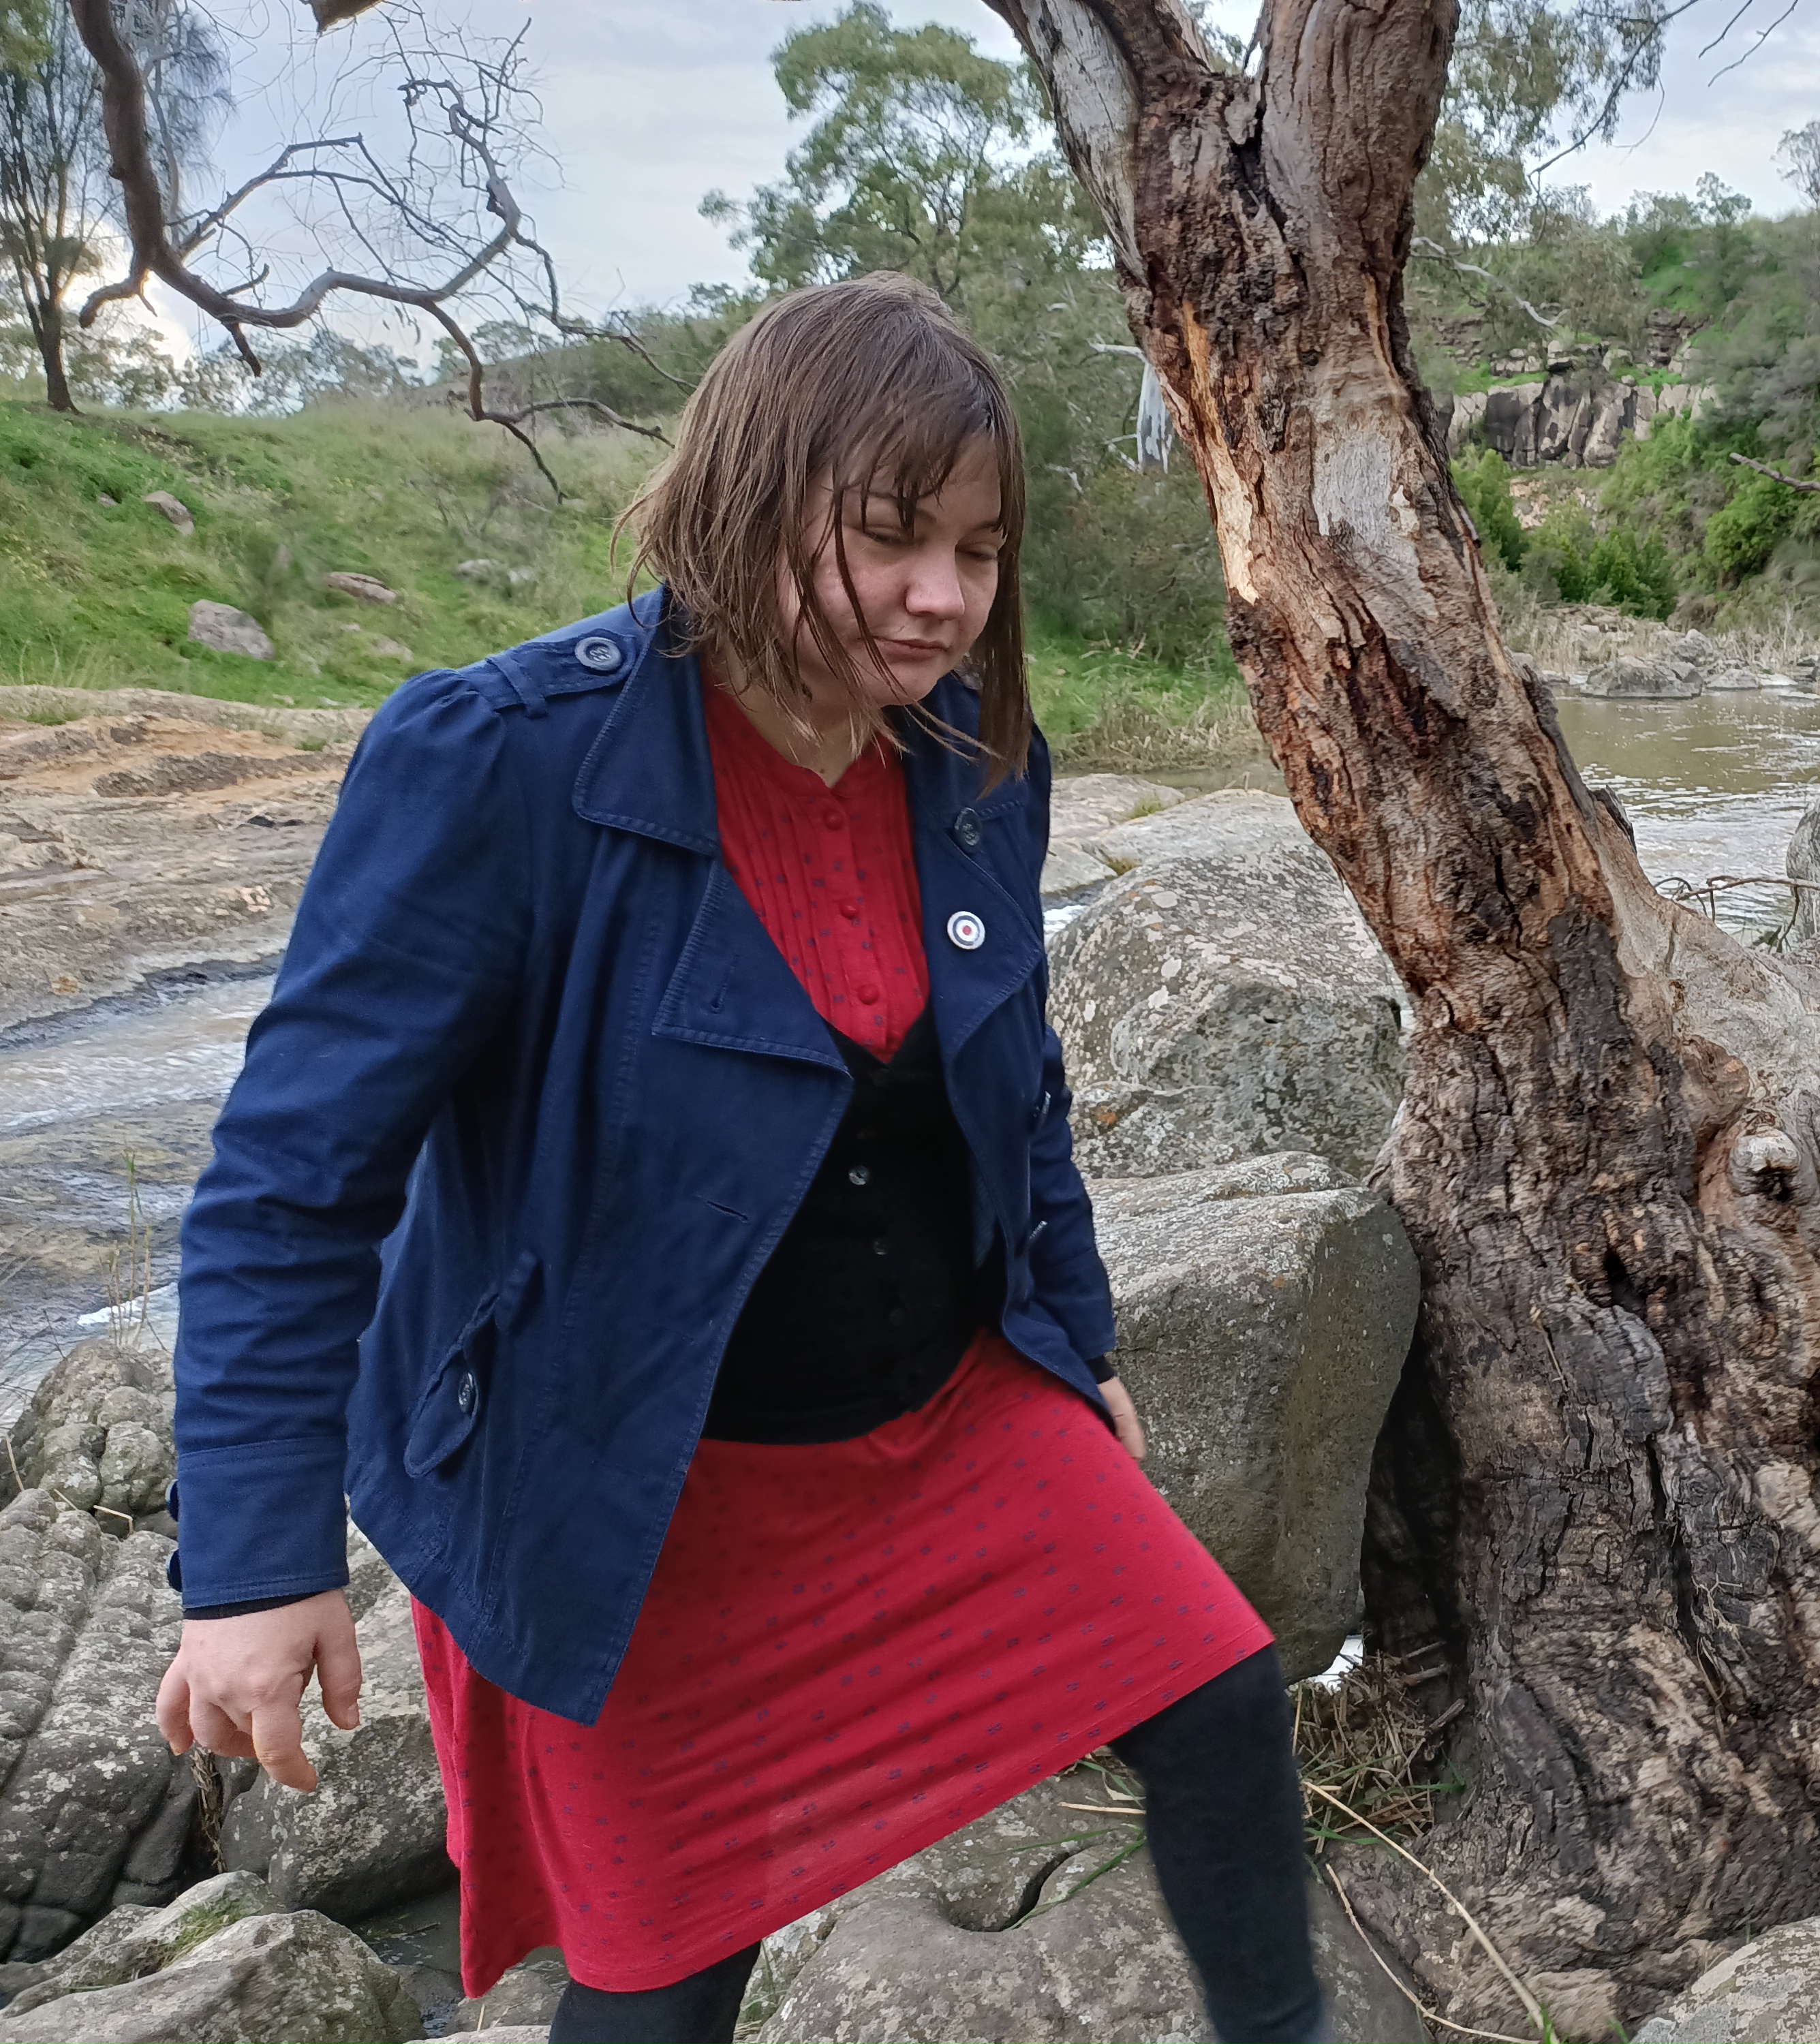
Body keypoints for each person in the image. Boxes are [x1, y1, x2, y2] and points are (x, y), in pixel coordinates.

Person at [152, 275, 1327, 2044]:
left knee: (1224, 1701)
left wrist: (1075, 1341)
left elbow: (1015, 1083)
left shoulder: (976, 765)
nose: (945, 597)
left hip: (944, 1422)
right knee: (663, 1987)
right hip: (632, 1487)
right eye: (891, 537)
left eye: (981, 551)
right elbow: (288, 1185)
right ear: (749, 500)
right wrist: (253, 1561)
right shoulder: (502, 766)